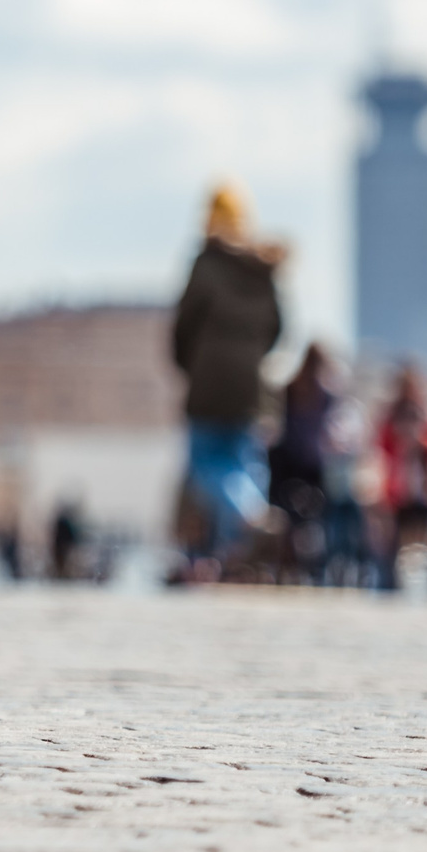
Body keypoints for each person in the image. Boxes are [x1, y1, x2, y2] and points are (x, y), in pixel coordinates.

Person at [169, 183, 284, 576]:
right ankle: (241, 552)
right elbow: (277, 328)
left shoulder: (207, 263)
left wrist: (190, 364)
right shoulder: (261, 268)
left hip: (208, 383)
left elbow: (184, 326)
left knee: (206, 463)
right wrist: (250, 358)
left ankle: (251, 519)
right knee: (244, 463)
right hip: (250, 386)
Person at [267, 343, 340, 583]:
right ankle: (311, 568)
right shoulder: (324, 395)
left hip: (287, 463)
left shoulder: (291, 388)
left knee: (287, 519)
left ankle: (288, 565)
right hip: (310, 465)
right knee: (314, 519)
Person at [377, 364, 427, 583]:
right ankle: (390, 582)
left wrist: (420, 442)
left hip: (425, 491)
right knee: (395, 540)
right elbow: (383, 447)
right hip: (400, 490)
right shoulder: (391, 416)